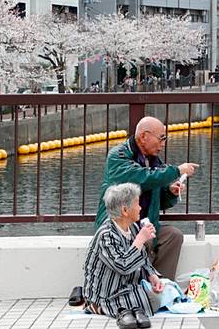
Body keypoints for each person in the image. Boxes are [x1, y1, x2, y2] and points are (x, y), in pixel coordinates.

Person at [94, 116, 199, 280]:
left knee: (173, 236)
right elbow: (141, 178)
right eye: (161, 138)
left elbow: (160, 198)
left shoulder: (154, 162)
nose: (163, 144)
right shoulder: (118, 156)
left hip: (145, 224)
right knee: (146, 239)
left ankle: (163, 286)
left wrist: (170, 192)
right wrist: (177, 171)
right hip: (120, 226)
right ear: (144, 136)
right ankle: (141, 288)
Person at [83, 183, 162, 328]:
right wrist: (140, 239)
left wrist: (152, 275)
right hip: (106, 291)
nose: (140, 208)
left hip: (125, 286)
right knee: (148, 302)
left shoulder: (131, 227)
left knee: (155, 299)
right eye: (137, 204)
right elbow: (123, 266)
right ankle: (97, 307)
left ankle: (128, 308)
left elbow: (142, 256)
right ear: (125, 210)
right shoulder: (106, 234)